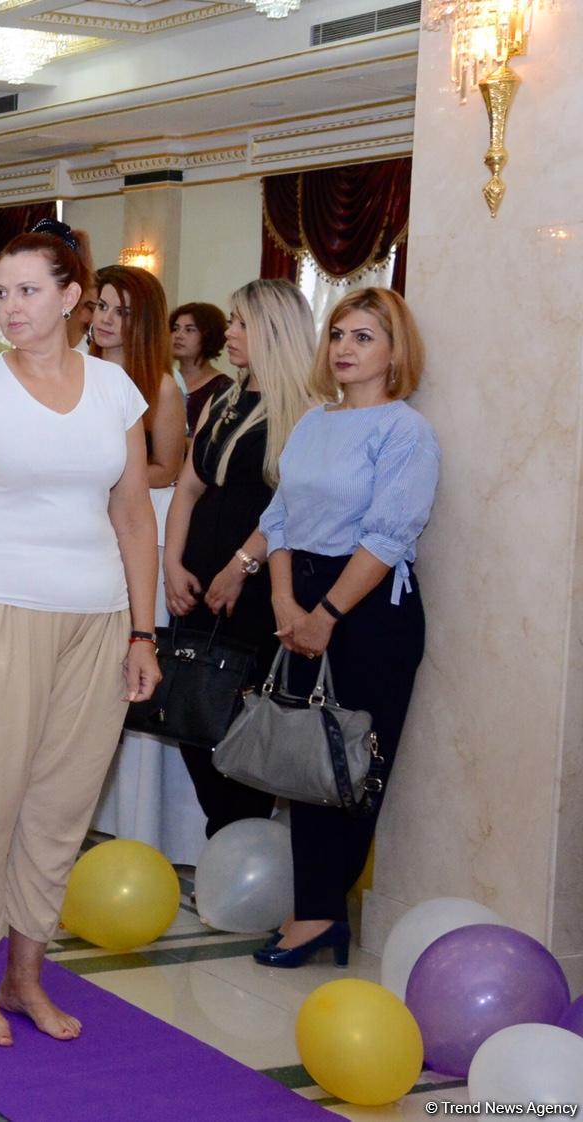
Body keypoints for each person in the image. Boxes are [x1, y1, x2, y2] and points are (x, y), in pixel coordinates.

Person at [0, 224, 160, 1046]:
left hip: (96, 622)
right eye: (2, 290)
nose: (10, 307)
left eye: (28, 290)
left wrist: (142, 632)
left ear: (69, 298)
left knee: (60, 810)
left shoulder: (116, 391)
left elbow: (134, 520)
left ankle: (27, 974)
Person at [251, 287, 438, 969]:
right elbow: (279, 517)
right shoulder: (313, 421)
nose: (344, 350)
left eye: (363, 337)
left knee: (350, 765)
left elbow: (390, 535)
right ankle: (313, 908)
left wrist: (326, 614)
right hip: (298, 595)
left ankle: (322, 913)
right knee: (303, 761)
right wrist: (282, 599)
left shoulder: (405, 431)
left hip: (368, 611)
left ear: (395, 353)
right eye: (338, 335)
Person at [164, 280, 318, 838]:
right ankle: (230, 836)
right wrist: (171, 563)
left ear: (274, 331)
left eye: (242, 323)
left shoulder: (306, 407)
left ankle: (240, 838)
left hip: (256, 587)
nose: (228, 332)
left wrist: (241, 566)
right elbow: (188, 486)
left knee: (243, 723)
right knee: (190, 717)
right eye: (231, 320)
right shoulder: (224, 399)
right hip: (198, 579)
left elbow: (290, 502)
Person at [90, 264, 187, 488]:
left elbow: (166, 471)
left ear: (145, 321)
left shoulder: (163, 388)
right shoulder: (77, 370)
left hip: (134, 506)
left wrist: (100, 482)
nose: (106, 319)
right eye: (102, 306)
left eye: (122, 313)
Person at [171, 302, 232, 435]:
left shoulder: (224, 388)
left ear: (208, 335)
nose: (178, 335)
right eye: (175, 328)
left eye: (189, 330)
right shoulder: (163, 379)